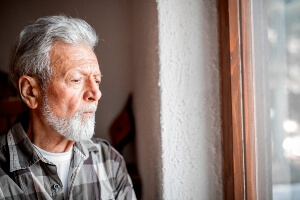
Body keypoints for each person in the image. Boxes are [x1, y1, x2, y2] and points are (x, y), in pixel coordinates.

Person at [0, 15, 137, 200]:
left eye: (97, 80)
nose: (96, 93)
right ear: (31, 91)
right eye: (76, 80)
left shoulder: (110, 162)